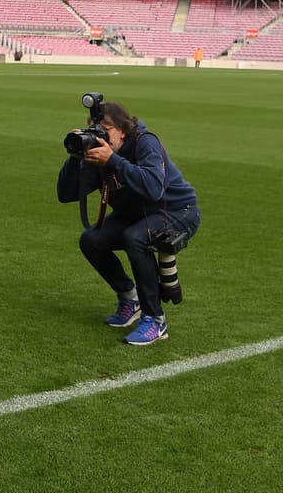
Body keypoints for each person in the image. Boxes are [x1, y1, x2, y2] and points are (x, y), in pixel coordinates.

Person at [56, 102, 200, 346]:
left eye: (106, 129)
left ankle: (155, 319)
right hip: (136, 213)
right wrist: (75, 158)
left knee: (136, 237)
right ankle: (129, 299)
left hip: (177, 210)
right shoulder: (98, 154)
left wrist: (112, 161)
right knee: (91, 240)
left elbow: (153, 189)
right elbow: (66, 194)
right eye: (93, 129)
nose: (99, 135)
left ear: (123, 130)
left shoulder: (145, 143)